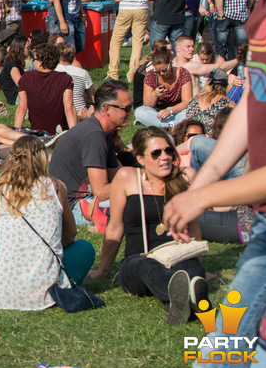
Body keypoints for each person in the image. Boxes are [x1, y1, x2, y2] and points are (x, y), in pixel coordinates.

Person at [164, 0, 266, 368]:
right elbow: (253, 103)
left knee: (222, 356)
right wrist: (197, 185)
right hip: (264, 223)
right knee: (223, 353)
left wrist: (202, 198)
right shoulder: (262, 12)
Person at [88, 127, 208, 325]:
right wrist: (103, 270)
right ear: (141, 158)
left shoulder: (185, 178)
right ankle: (184, 292)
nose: (165, 157)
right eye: (156, 153)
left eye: (169, 151)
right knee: (147, 267)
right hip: (139, 259)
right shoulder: (127, 177)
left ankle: (178, 304)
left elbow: (193, 228)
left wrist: (201, 265)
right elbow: (115, 227)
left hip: (177, 254)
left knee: (190, 266)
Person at [0, 136, 95, 309]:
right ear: (42, 158)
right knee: (84, 248)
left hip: (3, 292)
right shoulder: (55, 187)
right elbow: (71, 234)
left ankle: (2, 284)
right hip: (51, 291)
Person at [49, 80, 129, 228]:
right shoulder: (94, 135)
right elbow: (101, 191)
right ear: (107, 110)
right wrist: (138, 186)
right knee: (136, 205)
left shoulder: (104, 132)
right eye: (127, 108)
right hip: (75, 208)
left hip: (86, 200)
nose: (130, 112)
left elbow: (118, 174)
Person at [14, 43, 76, 135]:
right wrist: (74, 135)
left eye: (33, 59)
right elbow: (69, 108)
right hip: (62, 131)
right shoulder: (65, 78)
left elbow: (21, 108)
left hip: (38, 132)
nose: (32, 62)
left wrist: (15, 134)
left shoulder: (26, 78)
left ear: (40, 63)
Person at [134, 46, 192, 128]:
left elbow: (187, 102)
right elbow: (147, 104)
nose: (161, 73)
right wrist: (155, 95)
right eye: (157, 71)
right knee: (139, 111)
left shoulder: (183, 73)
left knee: (188, 113)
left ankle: (166, 124)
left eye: (164, 70)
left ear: (170, 63)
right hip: (158, 112)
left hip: (178, 110)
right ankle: (173, 125)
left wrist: (170, 110)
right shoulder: (151, 75)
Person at [55, 43, 95, 117]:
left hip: (57, 113)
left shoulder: (52, 72)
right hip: (80, 113)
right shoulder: (83, 73)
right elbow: (93, 98)